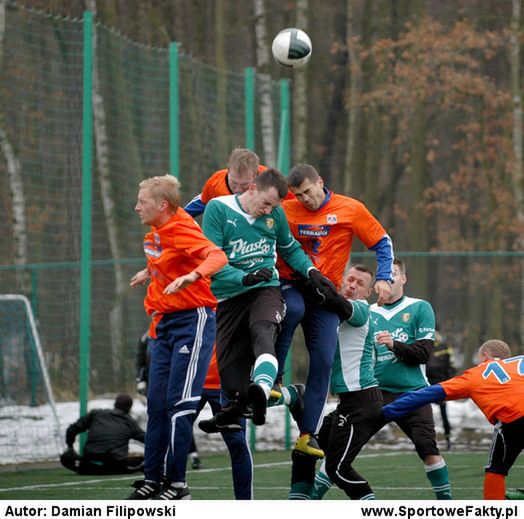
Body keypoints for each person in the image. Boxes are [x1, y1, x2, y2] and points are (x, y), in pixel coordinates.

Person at [201, 168, 337, 429]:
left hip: (266, 288)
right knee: (233, 385)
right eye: (266, 203)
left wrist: (311, 272)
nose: (268, 211)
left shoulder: (275, 213)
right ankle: (289, 396)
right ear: (251, 189)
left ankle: (263, 389)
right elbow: (212, 258)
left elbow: (289, 248)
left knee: (263, 330)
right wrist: (243, 277)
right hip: (229, 297)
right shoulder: (218, 209)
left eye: (273, 206)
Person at [276, 164, 394, 458]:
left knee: (325, 360)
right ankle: (273, 377)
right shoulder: (284, 209)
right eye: (298, 195)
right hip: (292, 283)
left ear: (320, 182)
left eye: (307, 191)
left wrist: (384, 276)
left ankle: (308, 434)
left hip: (325, 294)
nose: (304, 199)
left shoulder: (350, 209)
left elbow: (382, 241)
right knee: (291, 311)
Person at [127, 174, 228, 500]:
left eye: (142, 201)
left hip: (192, 321)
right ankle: (152, 478)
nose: (136, 206)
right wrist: (150, 272)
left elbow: (217, 256)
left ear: (163, 205)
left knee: (179, 406)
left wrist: (193, 275)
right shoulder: (157, 232)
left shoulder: (182, 228)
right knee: (156, 405)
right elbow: (165, 257)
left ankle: (177, 484)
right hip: (163, 324)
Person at [382, 339, 524, 500]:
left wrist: (386, 412)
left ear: (485, 356)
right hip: (515, 418)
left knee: (496, 471)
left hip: (514, 420)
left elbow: (426, 394)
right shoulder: (521, 360)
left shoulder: (474, 376)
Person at [371, 258, 452, 499]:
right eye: (384, 274)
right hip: (375, 392)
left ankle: (447, 505)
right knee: (342, 446)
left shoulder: (419, 307)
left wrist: (394, 344)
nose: (389, 278)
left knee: (428, 449)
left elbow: (424, 355)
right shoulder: (367, 312)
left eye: (393, 273)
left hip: (413, 392)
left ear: (404, 279)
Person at [299, 264, 382, 500]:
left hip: (362, 401)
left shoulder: (359, 310)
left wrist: (311, 274)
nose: (353, 286)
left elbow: (335, 302)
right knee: (310, 448)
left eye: (360, 284)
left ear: (368, 293)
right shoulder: (335, 312)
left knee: (338, 468)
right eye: (350, 280)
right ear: (343, 280)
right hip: (348, 402)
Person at [135, 332, 202, 470]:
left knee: (180, 418)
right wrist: (140, 380)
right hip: (154, 384)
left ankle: (193, 455)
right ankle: (156, 463)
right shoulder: (146, 337)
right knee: (159, 420)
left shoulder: (180, 332)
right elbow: (140, 360)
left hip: (176, 384)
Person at [60, 394, 145, 475]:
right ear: (129, 407)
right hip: (115, 465)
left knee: (66, 457)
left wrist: (70, 448)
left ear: (115, 404)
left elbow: (71, 430)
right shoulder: (130, 422)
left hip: (89, 463)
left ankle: (84, 467)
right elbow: (148, 439)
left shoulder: (96, 414)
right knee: (144, 461)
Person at [184, 147, 267, 217]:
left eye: (244, 185)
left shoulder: (271, 184)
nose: (238, 190)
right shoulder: (216, 182)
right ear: (228, 171)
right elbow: (201, 203)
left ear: (255, 175)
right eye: (234, 183)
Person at [426, 329, 455, 450]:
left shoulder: (444, 347)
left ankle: (448, 440)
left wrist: (448, 381)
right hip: (426, 384)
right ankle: (425, 440)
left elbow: (451, 365)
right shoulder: (425, 346)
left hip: (440, 385)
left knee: (444, 414)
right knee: (424, 414)